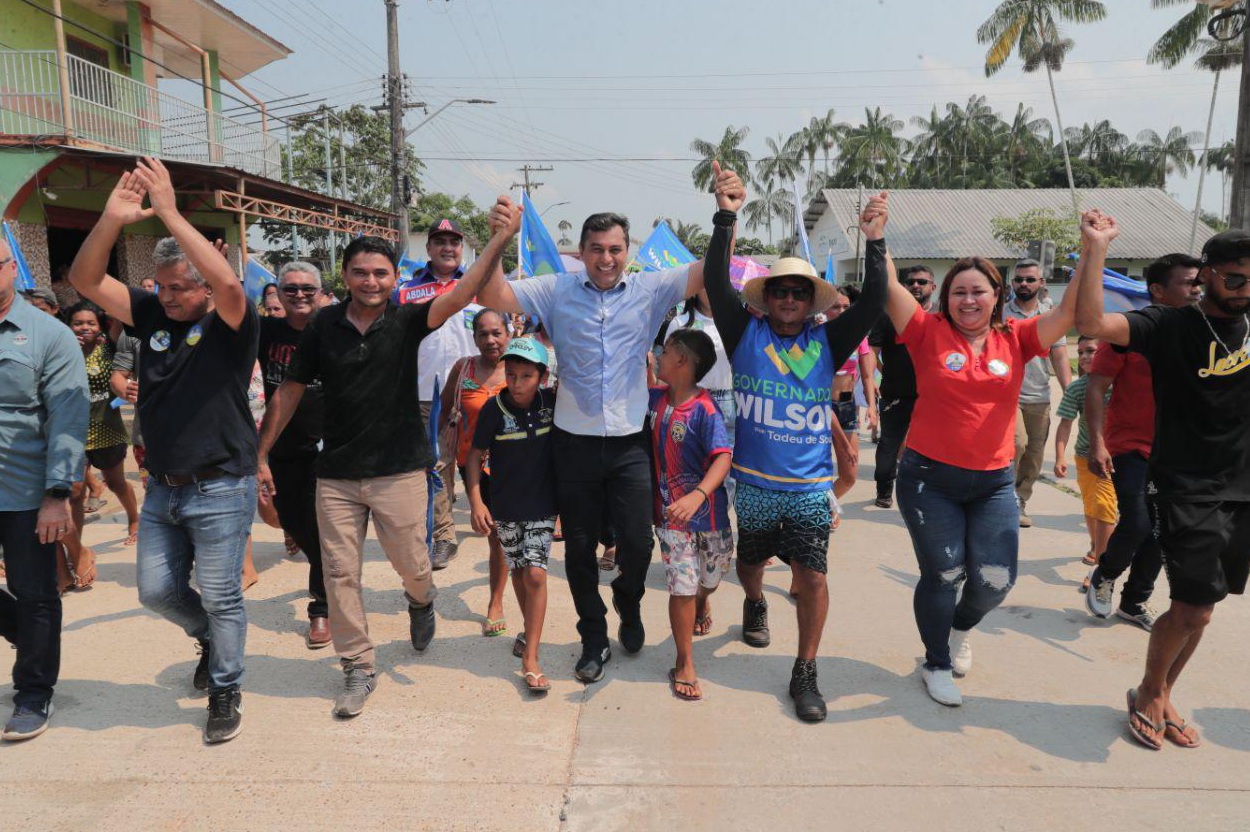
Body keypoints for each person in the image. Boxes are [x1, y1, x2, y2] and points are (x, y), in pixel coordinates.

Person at [476, 164, 744, 685]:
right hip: (572, 445)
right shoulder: (557, 289)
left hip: (629, 445)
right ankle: (593, 639)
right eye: (597, 249)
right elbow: (493, 297)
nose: (606, 258)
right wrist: (498, 242)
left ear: (628, 250)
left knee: (639, 547)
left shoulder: (649, 289)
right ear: (583, 250)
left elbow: (709, 273)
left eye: (616, 249)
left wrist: (725, 214)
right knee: (577, 549)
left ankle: (629, 600)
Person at [257, 199, 521, 719]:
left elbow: (462, 291)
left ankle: (421, 601)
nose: (370, 281)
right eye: (360, 272)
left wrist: (498, 242)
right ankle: (357, 664)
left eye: (380, 273)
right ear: (346, 275)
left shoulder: (408, 319)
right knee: (339, 572)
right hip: (335, 473)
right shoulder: (323, 327)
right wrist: (260, 452)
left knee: (412, 565)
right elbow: (288, 391)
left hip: (399, 468)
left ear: (394, 277)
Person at [69, 157, 259, 744]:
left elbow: (229, 283)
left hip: (223, 484)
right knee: (155, 591)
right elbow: (84, 280)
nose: (169, 297)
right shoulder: (150, 312)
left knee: (225, 594)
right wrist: (111, 219)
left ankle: (226, 688)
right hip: (163, 486)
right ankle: (207, 636)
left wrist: (171, 212)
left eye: (182, 288)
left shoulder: (233, 320)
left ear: (203, 284)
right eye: (162, 287)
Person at [883, 205, 1088, 708]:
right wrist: (876, 237)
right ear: (945, 297)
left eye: (978, 291)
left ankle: (960, 630)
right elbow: (886, 286)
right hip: (930, 478)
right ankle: (935, 662)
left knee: (995, 581)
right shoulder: (925, 331)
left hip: (994, 482)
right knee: (943, 574)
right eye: (959, 291)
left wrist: (1093, 249)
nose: (968, 299)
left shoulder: (1016, 339)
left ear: (997, 296)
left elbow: (1072, 314)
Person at [705, 195, 887, 722]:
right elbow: (717, 282)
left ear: (812, 301)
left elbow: (874, 302)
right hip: (754, 485)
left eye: (798, 292)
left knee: (812, 576)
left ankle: (805, 669)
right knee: (750, 563)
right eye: (779, 291)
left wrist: (875, 241)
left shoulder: (831, 339)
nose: (788, 299)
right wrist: (725, 217)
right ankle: (755, 601)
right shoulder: (745, 332)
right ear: (766, 298)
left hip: (809, 488)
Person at [1076, 226, 1250, 750]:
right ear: (1208, 276)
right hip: (1183, 482)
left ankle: (1166, 690)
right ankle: (1150, 690)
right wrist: (1097, 250)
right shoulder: (1171, 324)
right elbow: (1091, 323)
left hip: (1241, 486)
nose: (1245, 290)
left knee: (1207, 605)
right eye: (1236, 278)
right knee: (1192, 606)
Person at [1084, 254, 1203, 631]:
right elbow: (1096, 385)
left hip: (1177, 450)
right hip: (1129, 446)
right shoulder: (1127, 334)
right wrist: (1097, 443)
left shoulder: (1201, 333)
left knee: (1162, 529)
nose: (1196, 290)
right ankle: (1104, 575)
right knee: (1136, 522)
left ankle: (1134, 602)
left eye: (1198, 282)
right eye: (1188, 283)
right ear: (1157, 290)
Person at [0, 239, 89, 741]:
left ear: (11, 267)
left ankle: (33, 694)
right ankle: (26, 634)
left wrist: (58, 492)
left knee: (35, 594)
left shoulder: (49, 336)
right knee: (27, 613)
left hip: (25, 491)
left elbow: (68, 418)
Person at [466, 337, 557, 694]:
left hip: (543, 504)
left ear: (542, 377)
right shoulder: (492, 410)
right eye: (512, 374)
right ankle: (527, 632)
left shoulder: (553, 403)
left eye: (526, 376)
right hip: (504, 505)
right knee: (519, 571)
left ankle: (531, 658)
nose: (517, 383)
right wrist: (476, 500)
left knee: (535, 573)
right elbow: (474, 455)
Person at [648, 328, 733, 702]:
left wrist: (698, 495)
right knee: (681, 585)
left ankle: (704, 598)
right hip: (671, 520)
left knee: (711, 577)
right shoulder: (653, 400)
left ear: (681, 360)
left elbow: (723, 458)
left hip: (710, 516)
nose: (658, 357)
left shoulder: (705, 409)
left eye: (665, 352)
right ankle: (684, 661)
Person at [394, 218, 482, 570]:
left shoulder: (479, 289)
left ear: (462, 248)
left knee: (480, 460)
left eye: (454, 241)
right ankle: (445, 535)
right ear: (428, 248)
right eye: (440, 241)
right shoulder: (404, 291)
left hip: (475, 391)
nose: (447, 247)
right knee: (435, 462)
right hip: (426, 393)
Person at [256, 261, 330, 648]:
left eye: (307, 288)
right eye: (290, 289)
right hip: (281, 446)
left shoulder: (335, 329)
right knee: (292, 521)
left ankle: (322, 609)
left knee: (322, 537)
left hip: (330, 448)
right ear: (278, 295)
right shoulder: (266, 331)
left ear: (319, 292)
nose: (299, 295)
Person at [439, 308, 510, 636]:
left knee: (498, 538)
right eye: (483, 334)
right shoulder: (463, 368)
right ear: (474, 337)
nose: (491, 340)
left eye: (497, 332)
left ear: (508, 334)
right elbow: (443, 407)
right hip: (472, 465)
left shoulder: (521, 368)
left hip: (511, 467)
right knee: (491, 532)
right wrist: (433, 452)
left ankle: (495, 601)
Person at [65, 303, 140, 548]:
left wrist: (119, 400)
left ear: (99, 326)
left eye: (90, 323)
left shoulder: (109, 347)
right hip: (73, 433)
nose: (84, 328)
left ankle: (134, 519)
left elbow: (122, 377)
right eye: (78, 323)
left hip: (107, 429)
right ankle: (76, 547)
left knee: (116, 483)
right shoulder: (60, 350)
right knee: (76, 492)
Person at [1006, 258, 1072, 527]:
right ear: (1012, 283)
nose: (1023, 283)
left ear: (1041, 283)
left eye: (1029, 279)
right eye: (1019, 279)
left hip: (1040, 395)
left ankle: (1021, 499)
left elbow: (1060, 357)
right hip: (1008, 394)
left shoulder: (1050, 316)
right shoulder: (1000, 313)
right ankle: (1004, 498)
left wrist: (1070, 390)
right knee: (1016, 444)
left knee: (1034, 453)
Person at [870, 265, 937, 508]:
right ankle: (884, 489)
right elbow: (871, 351)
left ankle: (927, 491)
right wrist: (875, 376)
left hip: (934, 397)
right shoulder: (888, 315)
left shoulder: (943, 317)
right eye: (910, 282)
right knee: (889, 444)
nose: (916, 286)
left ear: (933, 287)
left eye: (922, 281)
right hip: (896, 394)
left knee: (931, 446)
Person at [1053, 336, 1116, 582]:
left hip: (1117, 458)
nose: (1084, 357)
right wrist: (1060, 456)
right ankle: (1096, 544)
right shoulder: (1078, 388)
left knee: (1104, 506)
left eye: (1091, 351)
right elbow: (1065, 424)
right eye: (1080, 352)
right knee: (1091, 507)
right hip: (1085, 457)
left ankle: (1101, 569)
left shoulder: (1122, 383)